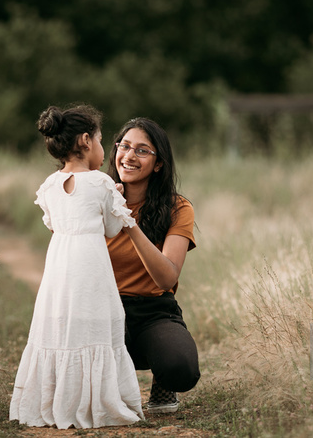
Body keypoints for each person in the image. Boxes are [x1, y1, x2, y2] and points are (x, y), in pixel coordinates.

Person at [9, 105, 145, 429]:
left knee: (60, 326)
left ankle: (54, 401)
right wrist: (119, 197)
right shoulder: (101, 183)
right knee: (94, 326)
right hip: (91, 268)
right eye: (100, 141)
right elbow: (113, 229)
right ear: (86, 141)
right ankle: (97, 402)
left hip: (60, 267)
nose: (103, 150)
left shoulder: (50, 185)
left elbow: (54, 224)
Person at [106, 117, 200, 414]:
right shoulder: (96, 198)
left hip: (153, 310)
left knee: (180, 368)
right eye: (125, 146)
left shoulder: (177, 207)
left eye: (142, 151)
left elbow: (166, 277)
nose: (130, 156)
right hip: (102, 308)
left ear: (158, 164)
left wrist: (128, 222)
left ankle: (163, 382)